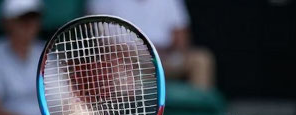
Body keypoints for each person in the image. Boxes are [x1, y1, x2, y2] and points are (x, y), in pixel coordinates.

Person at [86, 0, 217, 90]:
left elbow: (181, 37)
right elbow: (100, 41)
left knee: (202, 59)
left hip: (163, 59)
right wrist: (138, 53)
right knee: (115, 67)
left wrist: (165, 53)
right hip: (126, 62)